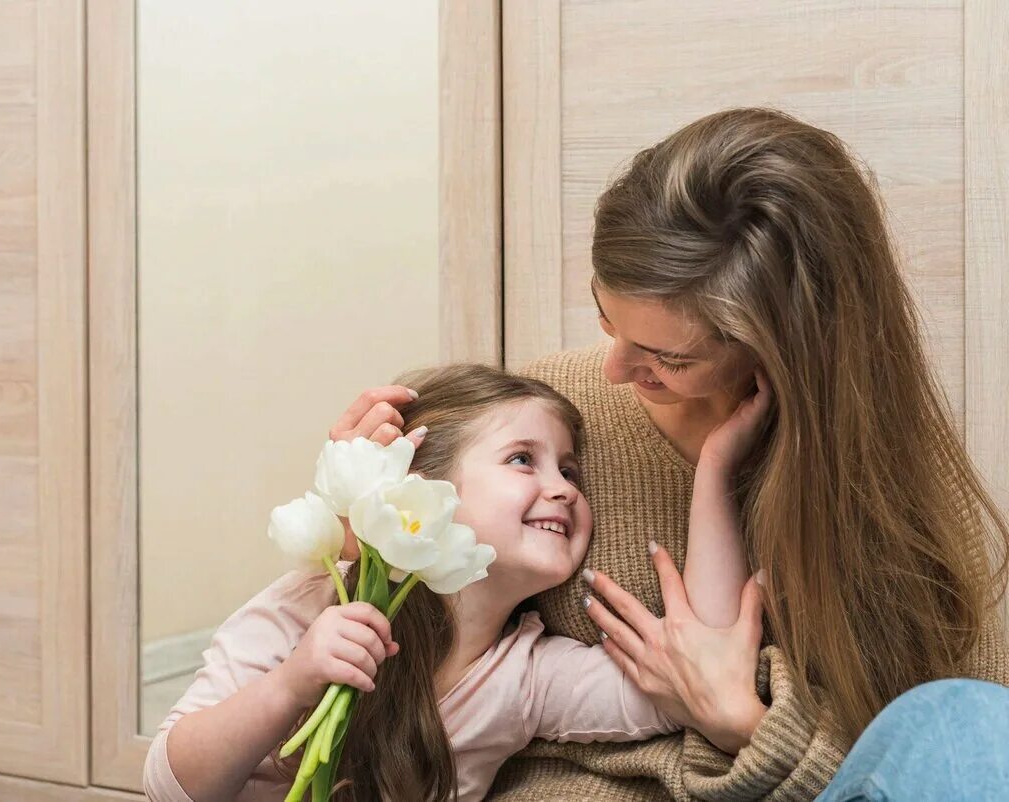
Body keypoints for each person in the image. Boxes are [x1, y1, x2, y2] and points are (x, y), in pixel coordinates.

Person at [331, 108, 1009, 800]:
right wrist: (365, 523)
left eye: (668, 358)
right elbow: (405, 666)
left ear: (780, 351)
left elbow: (947, 760)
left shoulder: (899, 497)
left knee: (978, 721)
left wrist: (743, 721)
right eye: (606, 316)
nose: (617, 371)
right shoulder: (544, 418)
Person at [142, 360, 770, 801]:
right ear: (424, 484)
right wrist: (290, 684)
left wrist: (714, 468)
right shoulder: (311, 602)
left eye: (571, 471)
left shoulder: (527, 679)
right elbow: (171, 786)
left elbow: (702, 673)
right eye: (523, 459)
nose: (562, 489)